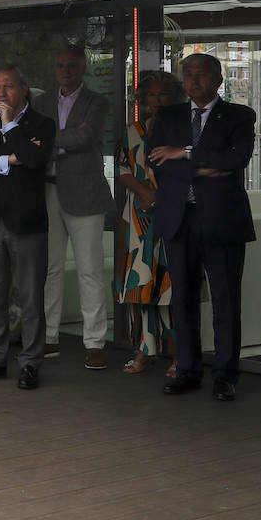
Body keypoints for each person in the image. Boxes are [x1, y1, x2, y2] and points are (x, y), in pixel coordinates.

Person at [150, 53, 256, 402]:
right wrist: (204, 164)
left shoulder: (239, 115)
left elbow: (236, 159)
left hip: (222, 219)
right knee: (183, 298)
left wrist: (185, 154)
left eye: (201, 75)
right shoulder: (168, 116)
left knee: (226, 301)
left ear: (218, 79)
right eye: (188, 75)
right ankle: (188, 369)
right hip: (179, 218)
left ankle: (226, 375)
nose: (193, 81)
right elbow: (158, 164)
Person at [0, 64, 55, 387]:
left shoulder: (42, 124)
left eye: (9, 87)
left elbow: (33, 159)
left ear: (24, 88)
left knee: (31, 297)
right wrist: (7, 161)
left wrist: (9, 127)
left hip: (26, 223)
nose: (2, 93)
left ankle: (30, 362)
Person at [33, 45, 111, 368]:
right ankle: (48, 337)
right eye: (60, 65)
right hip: (47, 192)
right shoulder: (40, 102)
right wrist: (64, 140)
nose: (65, 71)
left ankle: (94, 342)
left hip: (85, 194)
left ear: (83, 68)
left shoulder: (98, 101)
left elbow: (87, 137)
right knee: (49, 269)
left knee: (89, 270)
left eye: (72, 66)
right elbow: (31, 140)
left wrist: (48, 142)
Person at [114, 72, 178, 375]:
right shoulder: (134, 131)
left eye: (163, 93)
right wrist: (145, 194)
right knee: (142, 287)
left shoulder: (183, 130)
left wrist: (159, 197)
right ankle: (146, 349)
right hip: (140, 218)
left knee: (172, 288)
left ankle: (180, 353)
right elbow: (123, 169)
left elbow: (188, 172)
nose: (157, 100)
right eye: (150, 95)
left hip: (174, 215)